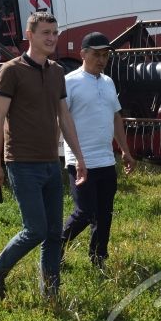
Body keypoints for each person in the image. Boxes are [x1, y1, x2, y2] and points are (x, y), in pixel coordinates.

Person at [0, 11, 87, 301]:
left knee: (54, 232)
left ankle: (50, 292)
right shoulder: (11, 71)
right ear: (30, 35)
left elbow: (64, 117)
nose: (52, 38)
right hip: (22, 162)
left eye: (55, 32)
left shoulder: (56, 72)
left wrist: (77, 156)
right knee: (36, 229)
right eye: (46, 33)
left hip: (50, 163)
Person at [61, 32, 135, 269]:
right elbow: (60, 119)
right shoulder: (69, 82)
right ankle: (55, 249)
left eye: (105, 55)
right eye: (96, 54)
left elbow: (116, 117)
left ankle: (98, 258)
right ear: (83, 54)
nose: (101, 60)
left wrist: (125, 150)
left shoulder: (108, 82)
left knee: (105, 214)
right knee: (85, 211)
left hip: (106, 161)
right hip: (80, 160)